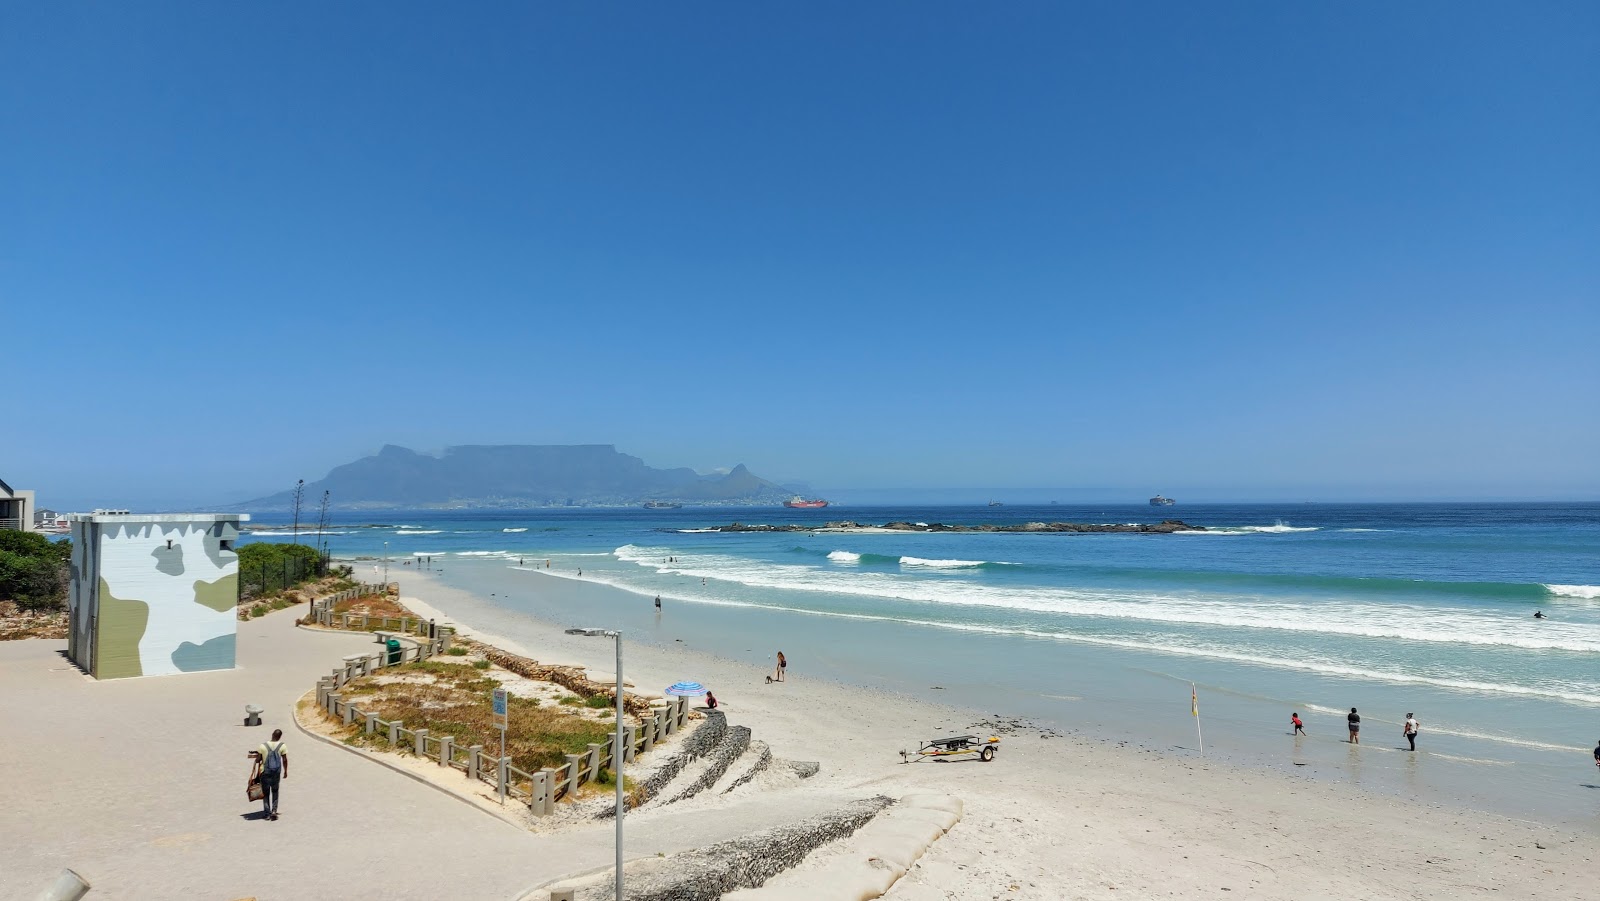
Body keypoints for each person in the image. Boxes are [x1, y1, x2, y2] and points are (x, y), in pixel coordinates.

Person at [248, 729, 289, 821]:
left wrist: (258, 756)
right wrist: (285, 771)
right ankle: (274, 811)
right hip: (276, 773)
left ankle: (267, 813)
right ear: (280, 737)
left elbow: (258, 760)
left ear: (272, 734)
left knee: (266, 793)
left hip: (265, 773)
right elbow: (285, 760)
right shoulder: (282, 746)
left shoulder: (263, 746)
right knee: (275, 791)